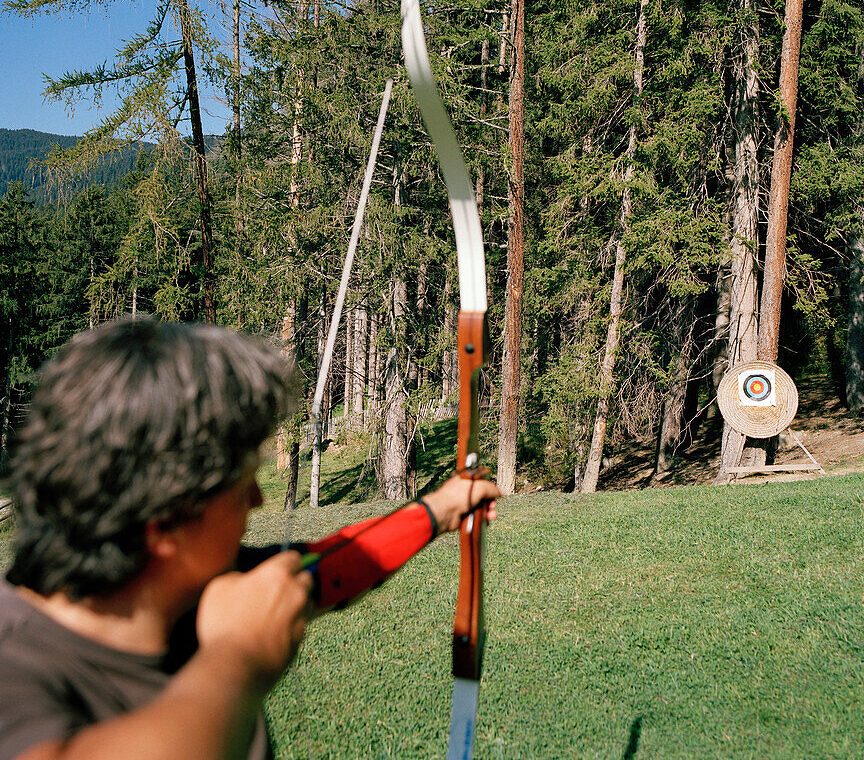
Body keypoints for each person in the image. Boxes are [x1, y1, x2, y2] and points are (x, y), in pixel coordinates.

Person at [0, 320, 499, 760]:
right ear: (166, 523)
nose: (259, 500)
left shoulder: (195, 584)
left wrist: (440, 509)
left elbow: (333, 568)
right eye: (243, 486)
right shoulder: (15, 665)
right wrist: (238, 656)